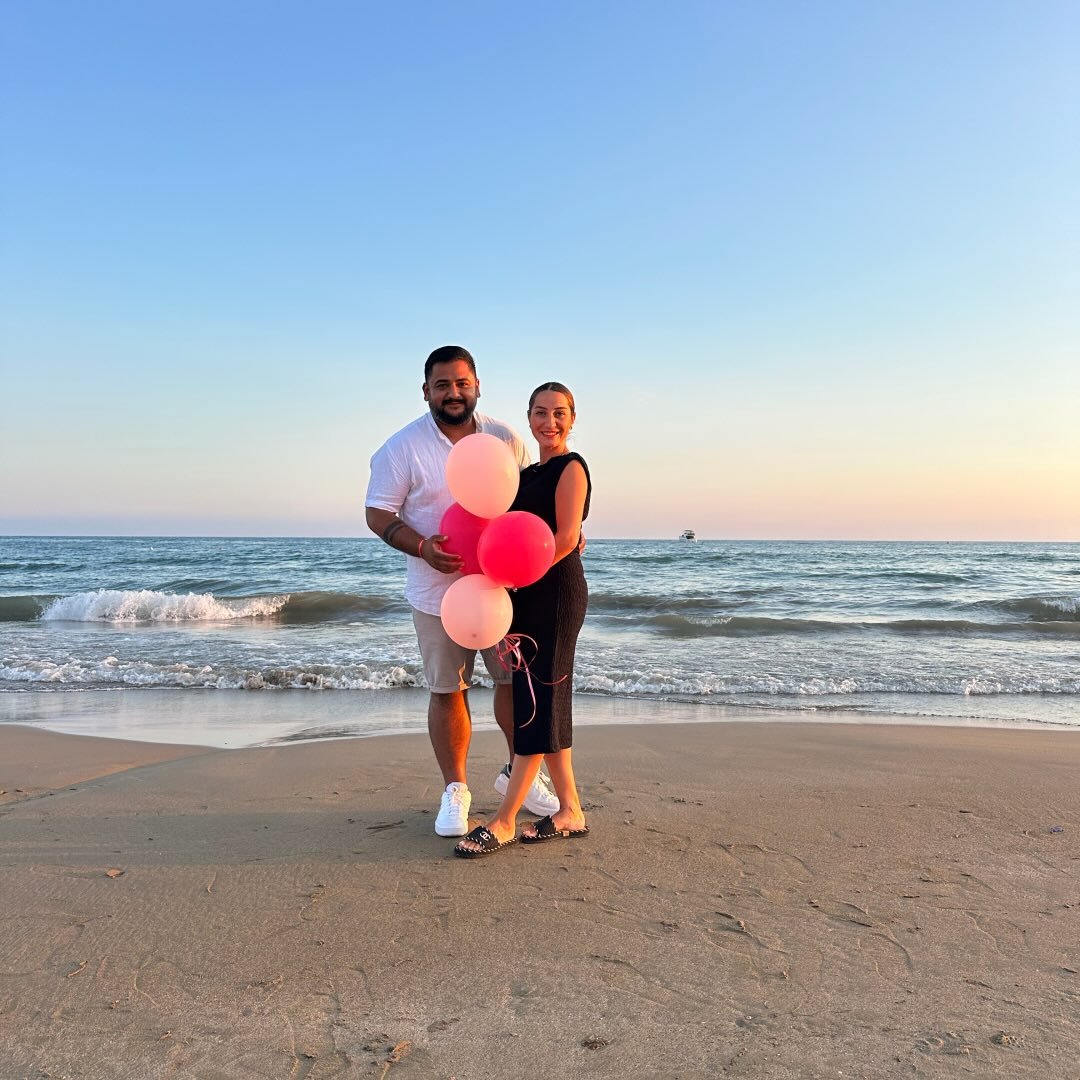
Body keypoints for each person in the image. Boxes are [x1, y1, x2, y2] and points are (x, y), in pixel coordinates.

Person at [364, 346, 560, 837]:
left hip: (501, 587)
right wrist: (421, 547)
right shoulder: (401, 447)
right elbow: (378, 513)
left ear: (477, 386)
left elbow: (530, 495)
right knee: (448, 688)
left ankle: (517, 773)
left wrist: (564, 534)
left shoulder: (504, 437)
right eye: (442, 385)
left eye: (462, 383)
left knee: (513, 683)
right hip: (436, 593)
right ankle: (455, 790)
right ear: (426, 391)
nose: (453, 393)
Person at [455, 381, 591, 858]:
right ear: (528, 417)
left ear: (572, 419)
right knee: (545, 699)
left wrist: (517, 578)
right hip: (523, 595)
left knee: (536, 702)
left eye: (559, 413)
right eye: (540, 412)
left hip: (555, 596)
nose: (549, 422)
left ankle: (505, 820)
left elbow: (567, 537)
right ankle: (570, 810)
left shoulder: (572, 468)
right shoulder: (526, 473)